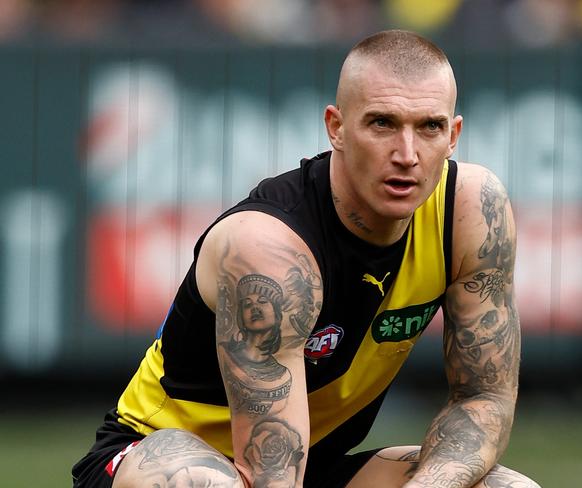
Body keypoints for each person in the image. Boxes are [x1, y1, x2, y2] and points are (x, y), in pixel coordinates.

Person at [72, 29, 539, 488]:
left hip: (314, 465)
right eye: (382, 123)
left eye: (430, 127)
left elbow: (484, 398)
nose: (407, 154)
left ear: (454, 134)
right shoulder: (269, 250)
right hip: (159, 459)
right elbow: (272, 474)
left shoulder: (472, 210)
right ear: (336, 127)